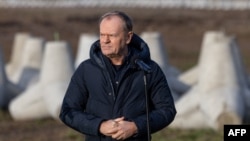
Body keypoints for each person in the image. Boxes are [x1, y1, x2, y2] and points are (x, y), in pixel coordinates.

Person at [59, 11, 176, 141]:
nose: (105, 40)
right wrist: (100, 126)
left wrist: (135, 127)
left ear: (128, 37)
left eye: (112, 35)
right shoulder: (86, 70)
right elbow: (68, 111)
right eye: (102, 34)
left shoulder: (149, 70)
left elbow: (167, 110)